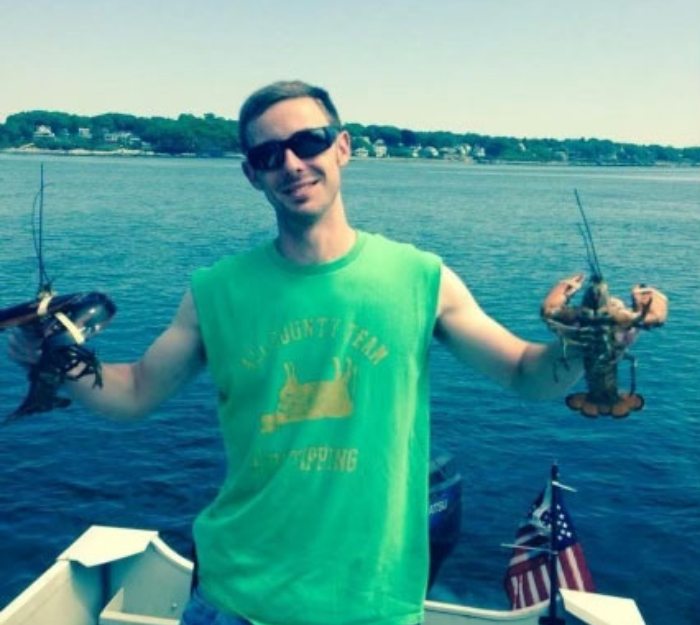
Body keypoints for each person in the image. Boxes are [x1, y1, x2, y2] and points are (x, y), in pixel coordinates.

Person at [9, 81, 586, 625]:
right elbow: (134, 392)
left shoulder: (420, 278)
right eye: (267, 155)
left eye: (307, 142)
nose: (290, 163)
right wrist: (49, 359)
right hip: (234, 597)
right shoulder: (216, 291)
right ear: (250, 174)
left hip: (371, 603)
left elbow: (523, 373)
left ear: (342, 149)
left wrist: (583, 345)